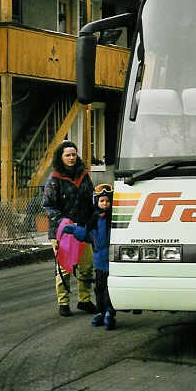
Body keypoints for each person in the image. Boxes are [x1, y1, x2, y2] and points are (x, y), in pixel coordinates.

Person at [42, 140, 97, 317]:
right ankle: (63, 303)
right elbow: (49, 205)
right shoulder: (54, 179)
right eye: (68, 155)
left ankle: (85, 300)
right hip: (63, 231)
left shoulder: (84, 175)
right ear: (61, 157)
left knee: (87, 267)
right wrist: (63, 222)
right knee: (64, 268)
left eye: (74, 154)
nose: (72, 158)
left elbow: (91, 199)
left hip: (83, 228)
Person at [64, 185, 116, 330]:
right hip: (99, 263)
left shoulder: (114, 220)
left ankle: (110, 313)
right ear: (96, 203)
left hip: (112, 262)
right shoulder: (94, 219)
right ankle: (102, 312)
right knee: (99, 289)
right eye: (101, 201)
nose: (104, 204)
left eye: (107, 201)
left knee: (109, 290)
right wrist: (74, 230)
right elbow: (86, 235)